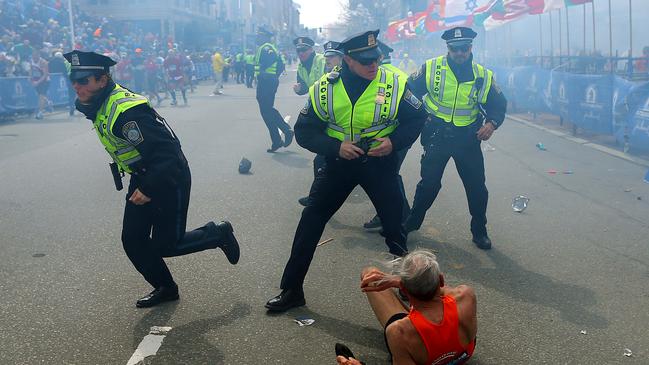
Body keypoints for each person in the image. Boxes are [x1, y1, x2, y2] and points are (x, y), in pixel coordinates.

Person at [265, 30, 427, 312]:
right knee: (310, 222)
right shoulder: (325, 88)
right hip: (338, 165)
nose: (373, 65)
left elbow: (417, 117)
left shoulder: (394, 82)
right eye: (366, 61)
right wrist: (335, 147)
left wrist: (394, 143)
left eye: (376, 58)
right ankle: (291, 290)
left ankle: (408, 290)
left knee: (394, 230)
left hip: (379, 165)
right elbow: (304, 132)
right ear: (348, 60)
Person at [63, 50, 240, 308]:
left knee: (167, 244)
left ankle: (218, 233)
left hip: (168, 176)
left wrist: (148, 187)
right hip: (144, 173)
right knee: (133, 240)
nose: (76, 86)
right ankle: (165, 288)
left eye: (83, 81)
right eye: (73, 81)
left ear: (102, 80)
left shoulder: (126, 111)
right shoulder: (100, 99)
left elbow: (169, 154)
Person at [403, 27, 507, 250]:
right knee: (429, 185)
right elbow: (409, 91)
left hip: (467, 139)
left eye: (464, 48)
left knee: (477, 187)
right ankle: (411, 224)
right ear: (447, 48)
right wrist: (420, 115)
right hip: (437, 135)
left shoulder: (483, 75)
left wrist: (491, 124)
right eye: (454, 49)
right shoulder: (431, 68)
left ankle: (479, 231)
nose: (459, 53)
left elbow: (499, 105)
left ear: (470, 48)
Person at [337, 249, 477, 365]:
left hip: (419, 347)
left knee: (369, 272)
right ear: (440, 279)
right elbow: (440, 290)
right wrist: (401, 282)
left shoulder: (399, 331)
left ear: (403, 289)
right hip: (462, 356)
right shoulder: (466, 295)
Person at [363, 41, 412, 230]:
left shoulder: (385, 77)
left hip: (391, 136)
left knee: (387, 176)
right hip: (398, 135)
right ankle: (396, 215)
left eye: (370, 59)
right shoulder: (399, 73)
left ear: (379, 58)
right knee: (388, 175)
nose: (368, 64)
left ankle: (397, 217)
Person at [297, 40, 343, 207]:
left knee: (378, 180)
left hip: (351, 133)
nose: (327, 59)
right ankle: (317, 199)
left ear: (342, 58)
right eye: (327, 56)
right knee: (321, 162)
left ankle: (399, 216)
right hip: (335, 130)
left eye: (332, 56)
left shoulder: (342, 77)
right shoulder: (329, 76)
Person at [254, 27, 293, 153]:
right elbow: (281, 65)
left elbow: (270, 60)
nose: (257, 38)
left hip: (266, 82)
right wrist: (273, 76)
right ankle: (277, 140)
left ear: (264, 37)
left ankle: (285, 131)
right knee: (267, 110)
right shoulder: (271, 47)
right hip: (269, 81)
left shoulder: (266, 47)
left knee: (266, 110)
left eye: (259, 36)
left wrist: (264, 72)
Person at [30, 48, 50, 120]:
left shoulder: (43, 62)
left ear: (38, 55)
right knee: (40, 96)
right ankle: (48, 102)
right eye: (33, 56)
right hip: (36, 79)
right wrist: (31, 79)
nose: (34, 57)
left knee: (41, 96)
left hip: (45, 81)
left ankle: (40, 113)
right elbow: (31, 71)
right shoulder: (31, 61)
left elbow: (45, 75)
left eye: (35, 56)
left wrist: (37, 82)